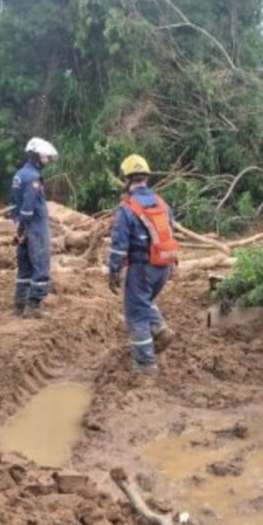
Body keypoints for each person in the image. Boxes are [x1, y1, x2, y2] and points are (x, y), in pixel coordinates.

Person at [108, 154, 179, 374]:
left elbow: (119, 246)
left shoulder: (127, 209)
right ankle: (159, 328)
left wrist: (114, 271)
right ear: (145, 178)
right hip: (164, 267)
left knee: (136, 313)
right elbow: (171, 231)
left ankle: (145, 365)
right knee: (144, 301)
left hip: (142, 269)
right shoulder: (162, 203)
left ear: (127, 179)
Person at [8, 137, 58, 318]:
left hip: (22, 226)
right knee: (41, 264)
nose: (48, 160)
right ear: (37, 156)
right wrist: (25, 228)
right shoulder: (34, 178)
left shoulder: (19, 175)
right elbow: (28, 208)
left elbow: (13, 205)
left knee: (25, 267)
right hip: (35, 226)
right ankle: (34, 306)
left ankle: (19, 304)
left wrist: (18, 228)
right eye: (46, 157)